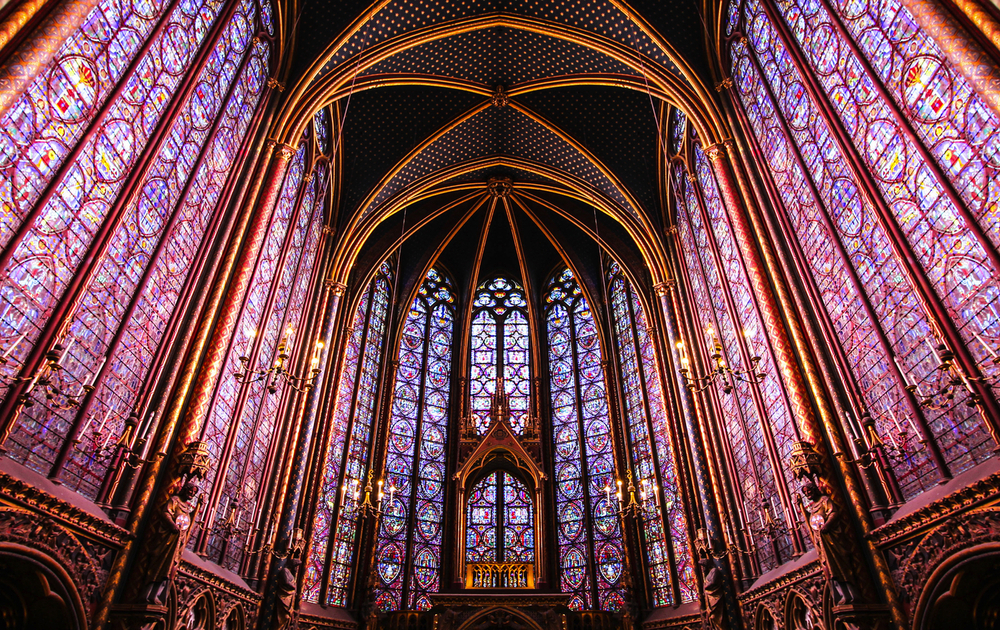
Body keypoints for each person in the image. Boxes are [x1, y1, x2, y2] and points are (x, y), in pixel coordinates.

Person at [137, 482, 200, 604]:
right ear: (184, 489)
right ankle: (149, 593)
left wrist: (198, 507)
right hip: (167, 538)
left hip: (178, 541)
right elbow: (166, 513)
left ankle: (159, 594)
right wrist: (172, 525)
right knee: (160, 563)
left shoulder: (186, 507)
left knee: (171, 567)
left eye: (193, 492)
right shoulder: (174, 500)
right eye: (190, 491)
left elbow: (188, 522)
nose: (191, 494)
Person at [801, 482, 859, 604]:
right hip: (821, 541)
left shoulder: (825, 500)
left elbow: (834, 513)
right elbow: (811, 522)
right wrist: (801, 506)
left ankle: (850, 593)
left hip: (832, 538)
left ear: (815, 490)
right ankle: (840, 594)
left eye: (809, 491)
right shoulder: (812, 508)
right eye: (805, 493)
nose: (807, 494)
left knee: (838, 563)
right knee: (829, 567)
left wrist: (827, 525)